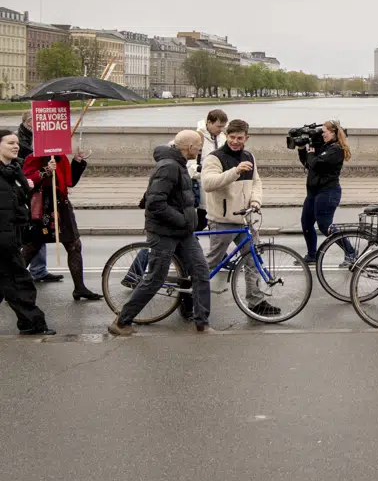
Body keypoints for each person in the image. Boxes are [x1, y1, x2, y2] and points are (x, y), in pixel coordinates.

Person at [110, 130, 212, 335]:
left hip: (183, 232)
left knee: (201, 272)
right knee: (156, 278)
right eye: (199, 146)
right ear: (190, 147)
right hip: (164, 232)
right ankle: (121, 322)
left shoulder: (179, 165)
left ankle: (202, 324)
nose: (200, 149)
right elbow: (155, 203)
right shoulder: (169, 167)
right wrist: (183, 220)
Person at [200, 119, 275, 316]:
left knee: (253, 260)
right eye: (232, 137)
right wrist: (235, 172)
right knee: (212, 262)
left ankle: (256, 301)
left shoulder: (249, 156)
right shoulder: (214, 158)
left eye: (239, 138)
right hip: (221, 220)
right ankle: (190, 295)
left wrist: (255, 202)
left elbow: (256, 182)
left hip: (245, 221)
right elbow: (208, 183)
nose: (235, 141)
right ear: (226, 135)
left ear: (246, 138)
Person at [22, 149, 101, 300]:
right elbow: (27, 181)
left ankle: (80, 287)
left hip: (62, 206)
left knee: (74, 245)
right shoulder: (33, 157)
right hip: (42, 207)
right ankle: (10, 286)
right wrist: (46, 170)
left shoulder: (60, 157)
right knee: (32, 247)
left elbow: (69, 181)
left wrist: (77, 162)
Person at [0, 131, 52, 335]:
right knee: (20, 281)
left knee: (7, 281)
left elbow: (20, 201)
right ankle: (33, 323)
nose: (16, 146)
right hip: (4, 238)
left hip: (13, 234)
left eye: (16, 143)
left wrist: (28, 184)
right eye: (10, 143)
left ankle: (29, 322)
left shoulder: (14, 170)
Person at [297, 120, 352, 265]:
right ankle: (312, 255)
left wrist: (310, 153)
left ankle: (351, 252)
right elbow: (309, 164)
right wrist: (302, 149)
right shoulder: (323, 147)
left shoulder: (336, 150)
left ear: (333, 133)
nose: (322, 135)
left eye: (324, 132)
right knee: (306, 223)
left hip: (328, 191)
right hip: (313, 192)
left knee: (325, 225)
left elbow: (316, 163)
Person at [15, 114, 54, 284]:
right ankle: (20, 275)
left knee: (38, 232)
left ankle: (38, 270)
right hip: (29, 190)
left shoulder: (35, 138)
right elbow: (25, 164)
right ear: (26, 122)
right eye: (32, 121)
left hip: (38, 190)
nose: (35, 124)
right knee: (31, 234)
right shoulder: (21, 140)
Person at [188, 108, 228, 234]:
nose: (221, 130)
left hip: (219, 187)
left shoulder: (222, 137)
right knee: (204, 222)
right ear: (209, 122)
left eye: (223, 126)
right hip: (203, 188)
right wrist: (208, 173)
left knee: (213, 223)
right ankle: (184, 246)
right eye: (218, 126)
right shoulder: (196, 137)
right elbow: (190, 167)